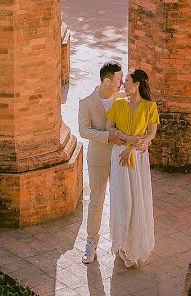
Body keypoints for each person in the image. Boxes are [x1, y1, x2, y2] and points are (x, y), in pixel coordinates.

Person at [77, 61, 142, 264]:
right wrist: (108, 137)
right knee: (96, 201)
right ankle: (91, 243)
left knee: (122, 201)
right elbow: (83, 131)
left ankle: (122, 245)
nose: (122, 82)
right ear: (106, 81)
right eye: (118, 79)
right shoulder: (86, 103)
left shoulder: (122, 98)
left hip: (120, 158)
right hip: (98, 159)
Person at [106, 68, 158, 268]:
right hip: (120, 156)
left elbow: (151, 133)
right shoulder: (119, 104)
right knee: (123, 201)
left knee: (138, 200)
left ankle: (134, 248)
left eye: (127, 80)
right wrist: (130, 142)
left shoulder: (149, 106)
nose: (123, 83)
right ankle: (122, 246)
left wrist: (135, 146)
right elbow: (110, 127)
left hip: (139, 158)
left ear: (136, 85)